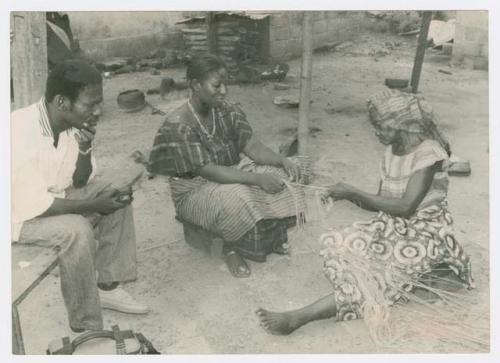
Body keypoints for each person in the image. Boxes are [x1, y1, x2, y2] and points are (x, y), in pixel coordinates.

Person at [256, 89, 474, 335]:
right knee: (335, 243)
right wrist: (344, 195)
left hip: (424, 231)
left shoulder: (429, 154)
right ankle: (411, 280)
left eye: (381, 127)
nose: (377, 132)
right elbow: (380, 202)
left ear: (402, 125)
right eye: (375, 126)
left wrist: (353, 192)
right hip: (393, 224)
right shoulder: (391, 151)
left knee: (381, 276)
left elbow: (406, 207)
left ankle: (301, 317)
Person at [11, 60, 149, 333]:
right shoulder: (17, 130)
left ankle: (107, 287)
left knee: (116, 191)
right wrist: (92, 205)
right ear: (62, 101)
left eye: (100, 103)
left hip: (51, 197)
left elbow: (80, 180)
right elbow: (33, 205)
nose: (98, 111)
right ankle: (86, 327)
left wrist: (85, 149)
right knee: (76, 230)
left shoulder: (70, 125)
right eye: (91, 104)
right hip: (16, 215)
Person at [148, 54, 306, 278]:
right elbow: (207, 170)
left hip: (234, 172)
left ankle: (269, 239)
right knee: (239, 197)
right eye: (216, 85)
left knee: (291, 172)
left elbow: (251, 146)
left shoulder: (226, 109)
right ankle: (230, 248)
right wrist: (257, 179)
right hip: (195, 190)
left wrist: (283, 161)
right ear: (196, 85)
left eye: (225, 84)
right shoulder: (178, 124)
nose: (224, 91)